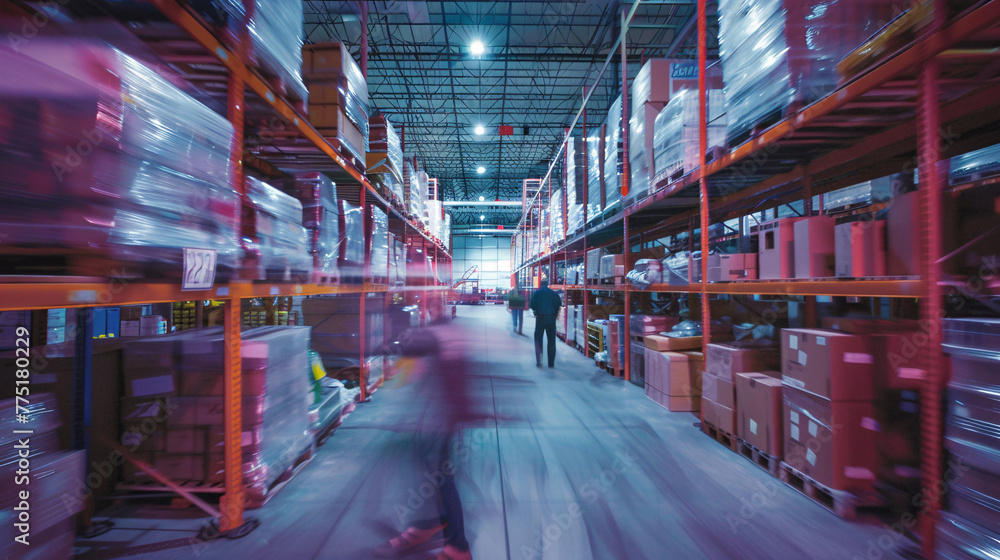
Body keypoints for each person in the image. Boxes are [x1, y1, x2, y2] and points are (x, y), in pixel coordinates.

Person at [373, 298, 475, 560]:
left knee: (440, 477)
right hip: (434, 417)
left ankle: (458, 545)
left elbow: (416, 354)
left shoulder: (438, 334)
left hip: (439, 419)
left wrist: (389, 346)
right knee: (427, 473)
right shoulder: (443, 330)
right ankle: (428, 524)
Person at [529, 280, 562, 367]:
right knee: (551, 341)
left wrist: (535, 310)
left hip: (540, 318)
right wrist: (554, 314)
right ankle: (551, 363)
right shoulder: (553, 293)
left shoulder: (536, 293)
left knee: (538, 339)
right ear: (547, 285)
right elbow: (559, 303)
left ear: (540, 285)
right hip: (551, 318)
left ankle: (539, 362)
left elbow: (531, 305)